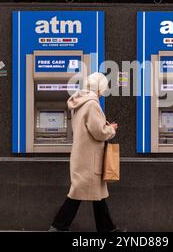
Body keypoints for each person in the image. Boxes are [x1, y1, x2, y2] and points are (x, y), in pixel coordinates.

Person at [48, 72, 124, 232]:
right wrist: (111, 129)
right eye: (104, 87)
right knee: (77, 195)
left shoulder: (80, 102)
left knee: (97, 195)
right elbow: (99, 132)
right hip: (90, 158)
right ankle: (58, 226)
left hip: (82, 155)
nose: (104, 91)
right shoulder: (92, 104)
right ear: (99, 87)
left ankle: (107, 228)